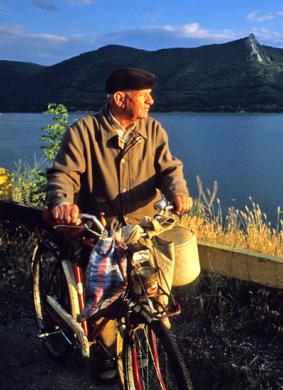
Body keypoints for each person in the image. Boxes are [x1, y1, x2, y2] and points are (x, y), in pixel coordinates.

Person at [45, 67, 193, 380]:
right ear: (120, 98)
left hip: (140, 229)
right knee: (104, 298)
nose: (151, 101)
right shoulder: (84, 131)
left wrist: (178, 192)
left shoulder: (153, 130)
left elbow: (169, 169)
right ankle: (105, 352)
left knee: (151, 293)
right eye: (145, 96)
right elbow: (64, 174)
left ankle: (145, 340)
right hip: (99, 229)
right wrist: (62, 202)